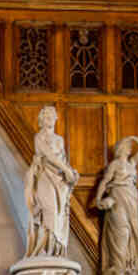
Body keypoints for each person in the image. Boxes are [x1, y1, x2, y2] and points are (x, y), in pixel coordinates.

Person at [24, 106, 80, 258]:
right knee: (49, 210)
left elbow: (63, 159)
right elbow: (49, 156)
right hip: (45, 176)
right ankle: (44, 251)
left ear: (56, 118)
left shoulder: (59, 140)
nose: (48, 117)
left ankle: (55, 251)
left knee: (59, 214)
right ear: (41, 120)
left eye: (51, 114)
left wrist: (71, 172)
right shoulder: (39, 137)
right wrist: (66, 170)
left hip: (59, 180)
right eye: (45, 115)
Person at [93, 135, 138, 275]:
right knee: (121, 230)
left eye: (130, 146)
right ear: (121, 148)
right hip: (117, 197)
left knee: (131, 231)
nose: (130, 148)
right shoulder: (115, 164)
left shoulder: (132, 163)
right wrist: (98, 199)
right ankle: (118, 267)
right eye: (127, 145)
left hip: (131, 198)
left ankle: (126, 267)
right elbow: (105, 181)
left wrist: (133, 138)